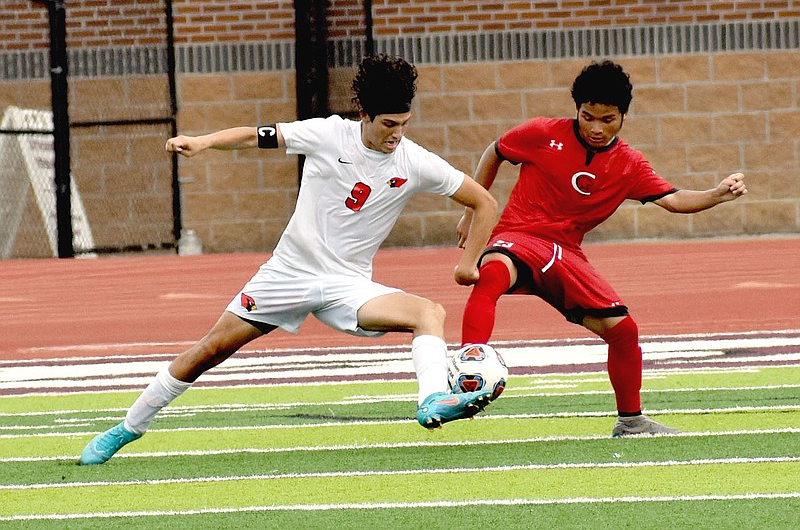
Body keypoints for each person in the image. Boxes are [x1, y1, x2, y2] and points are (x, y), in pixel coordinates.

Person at [80, 54, 498, 465]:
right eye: (388, 124)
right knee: (209, 350)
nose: (396, 135)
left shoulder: (416, 162)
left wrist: (469, 260)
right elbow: (254, 137)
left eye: (404, 124)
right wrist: (203, 142)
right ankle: (126, 428)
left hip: (347, 286)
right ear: (364, 114)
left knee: (429, 312)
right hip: (287, 274)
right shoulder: (328, 134)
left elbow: (484, 202)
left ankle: (431, 401)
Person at [456, 60, 748, 437]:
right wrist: (471, 214)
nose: (595, 127)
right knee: (493, 271)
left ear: (623, 116)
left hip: (565, 254)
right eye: (587, 116)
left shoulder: (629, 164)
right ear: (576, 109)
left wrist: (716, 195)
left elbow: (674, 200)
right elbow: (493, 152)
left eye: (607, 119)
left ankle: (631, 422)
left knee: (624, 331)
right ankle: (467, 375)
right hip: (520, 233)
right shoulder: (543, 133)